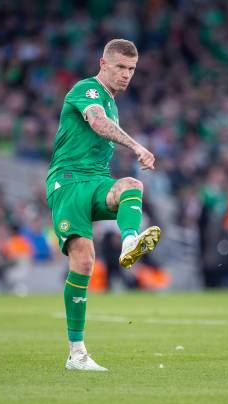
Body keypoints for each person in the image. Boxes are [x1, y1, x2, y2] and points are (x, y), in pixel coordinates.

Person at [46, 39, 161, 371]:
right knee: (84, 261)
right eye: (121, 68)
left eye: (132, 70)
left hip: (96, 180)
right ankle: (76, 352)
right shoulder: (88, 89)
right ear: (103, 64)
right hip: (67, 182)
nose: (126, 75)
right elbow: (96, 122)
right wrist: (137, 146)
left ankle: (129, 241)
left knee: (131, 186)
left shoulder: (113, 102)